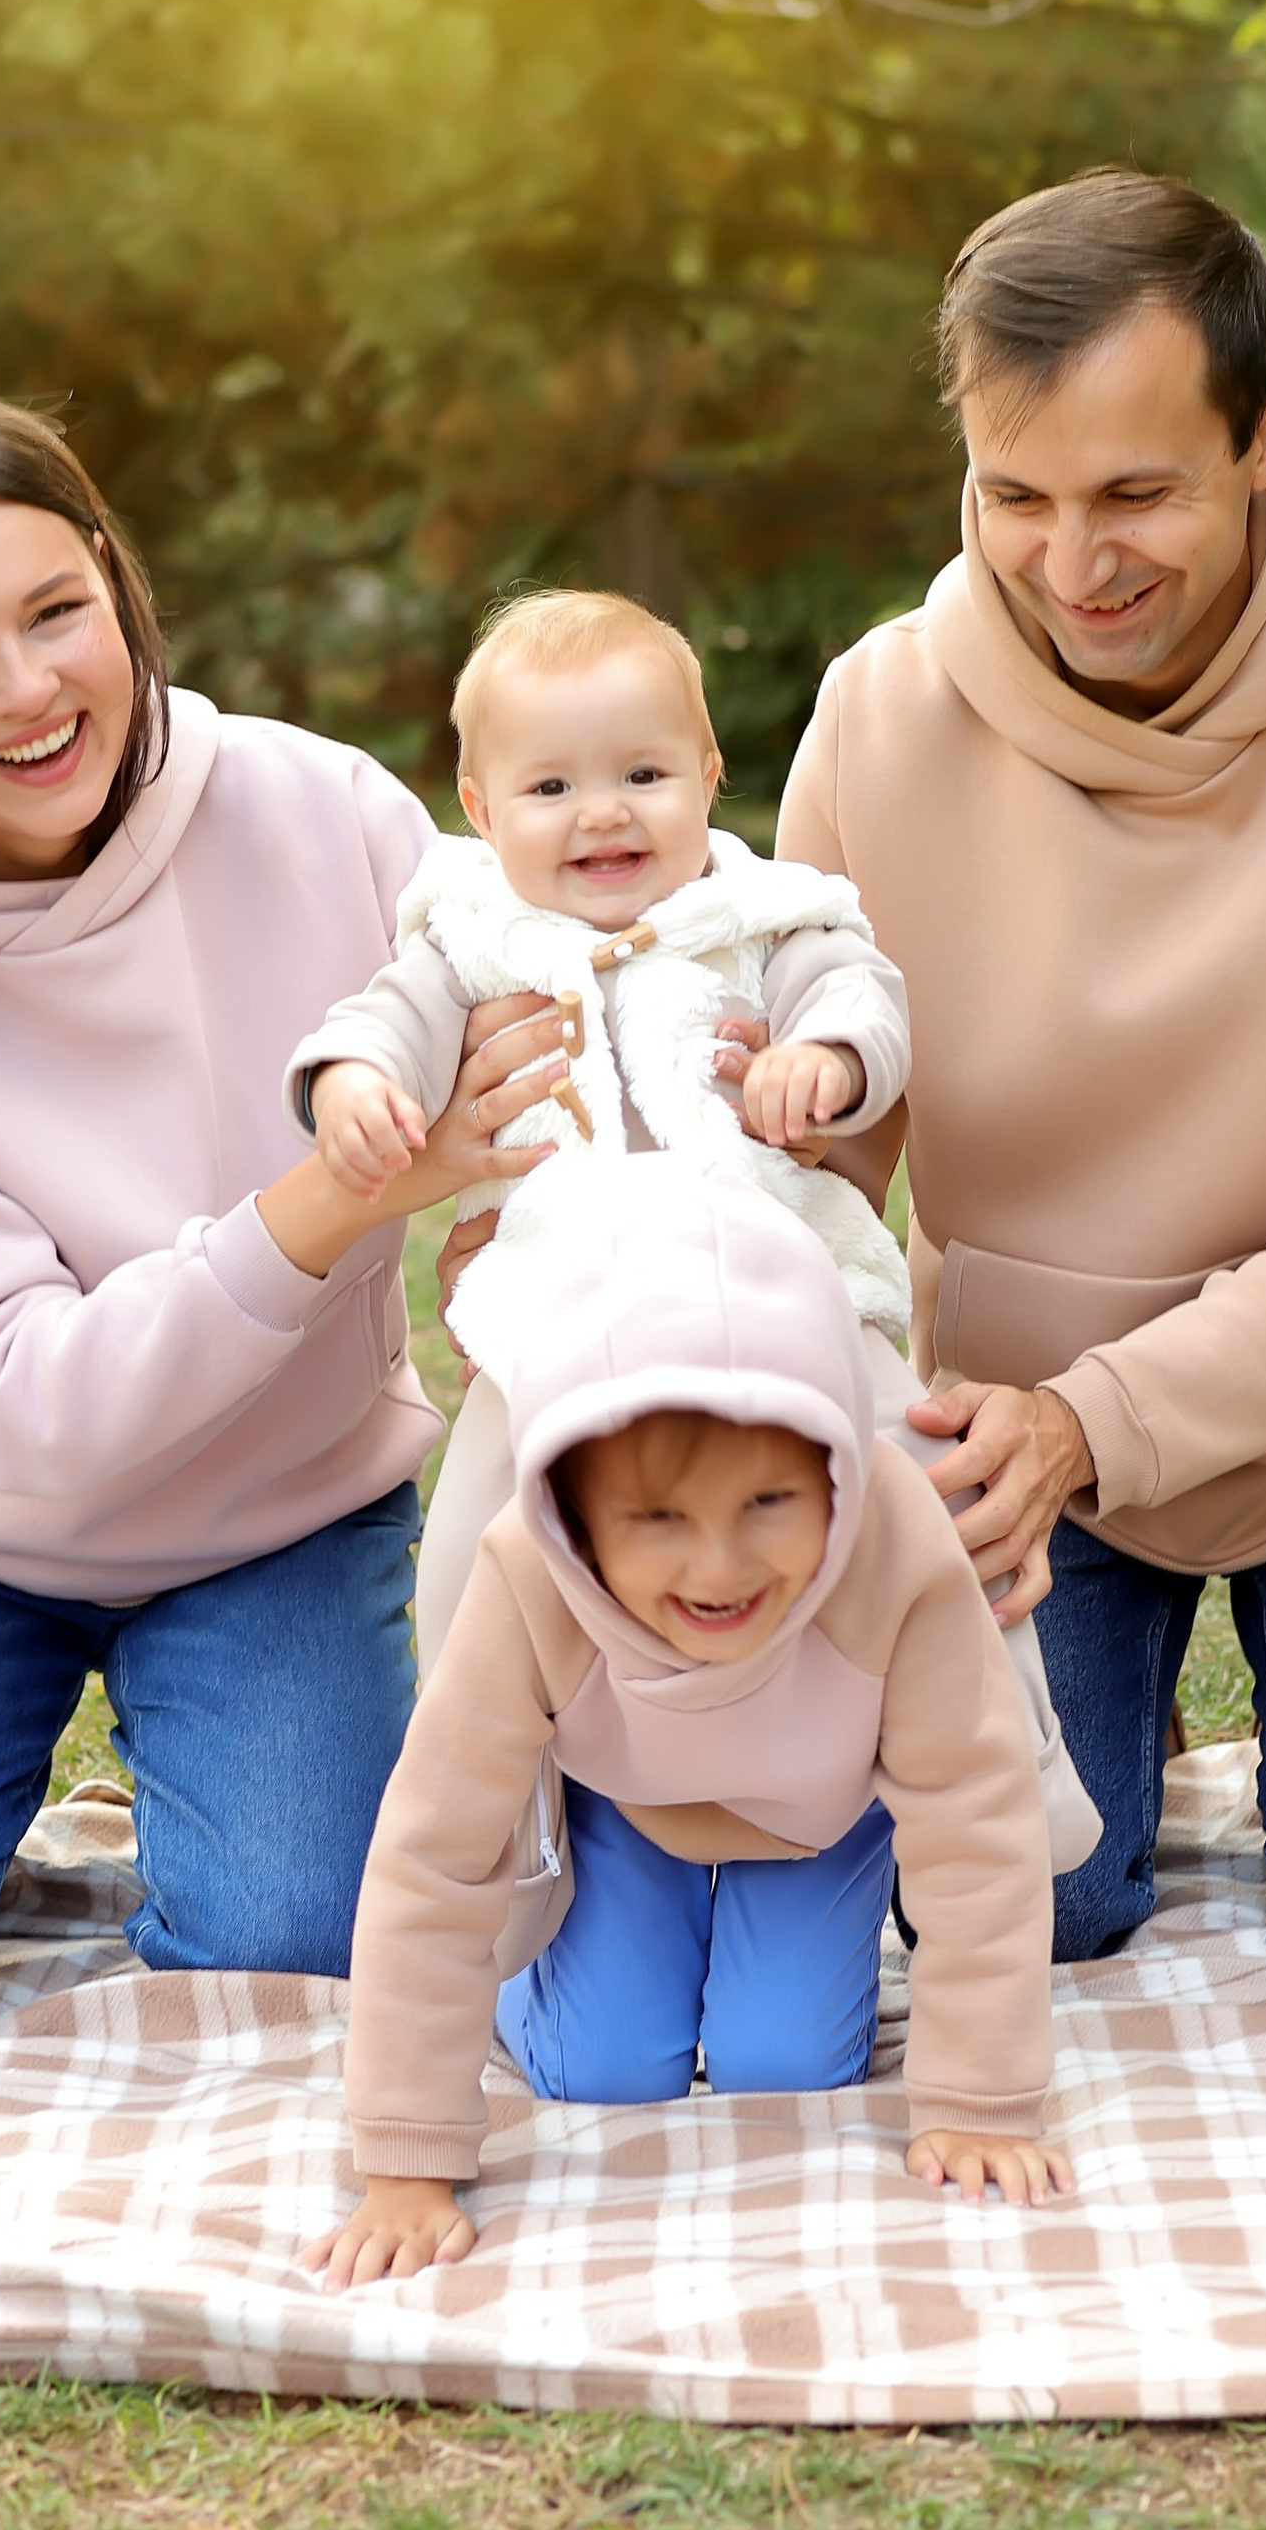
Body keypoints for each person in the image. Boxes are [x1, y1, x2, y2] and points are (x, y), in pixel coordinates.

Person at [0, 390, 567, 2062]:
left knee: (303, 1961)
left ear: (113, 578)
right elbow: (29, 1411)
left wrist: (534, 1202)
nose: (26, 692)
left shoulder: (329, 819)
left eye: (52, 613)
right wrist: (337, 1200)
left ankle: (186, 1744)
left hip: (275, 1516)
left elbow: (554, 991)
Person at [777, 168, 1266, 1965]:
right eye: (1016, 496)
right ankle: (1106, 1722)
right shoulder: (878, 716)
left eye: (1137, 494)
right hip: (1001, 1428)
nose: (1073, 568)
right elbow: (818, 1159)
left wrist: (1097, 1427)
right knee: (1012, 1905)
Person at [294, 585, 1085, 1843]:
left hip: (777, 1285)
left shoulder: (764, 914)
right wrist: (354, 1083)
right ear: (482, 810)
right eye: (549, 788)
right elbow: (380, 1021)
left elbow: (863, 996)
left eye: (643, 771)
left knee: (928, 1484)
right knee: (471, 1556)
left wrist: (823, 1058)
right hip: (559, 1312)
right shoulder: (471, 938)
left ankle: (1012, 1784)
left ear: (711, 776)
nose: (602, 810)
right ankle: (482, 1844)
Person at [307, 1169, 1067, 2291]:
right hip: (631, 1801)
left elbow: (972, 1815)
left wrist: (978, 2099)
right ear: (573, 1505)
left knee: (786, 2057)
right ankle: (566, 1956)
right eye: (657, 1519)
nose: (718, 1568)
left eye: (768, 1504)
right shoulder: (529, 1570)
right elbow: (437, 1850)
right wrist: (407, 2159)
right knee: (605, 2063)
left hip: (821, 1813)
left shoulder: (898, 1543)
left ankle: (784, 1944)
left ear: (836, 1466)